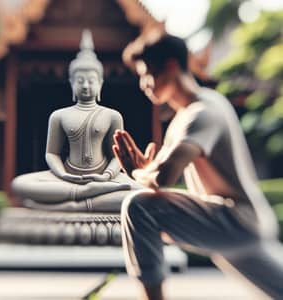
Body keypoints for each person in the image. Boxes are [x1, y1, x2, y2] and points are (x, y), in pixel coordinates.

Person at [113, 34, 283, 300]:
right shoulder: (189, 114)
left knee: (139, 207)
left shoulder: (203, 112)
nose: (143, 84)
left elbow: (164, 177)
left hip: (235, 220)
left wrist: (138, 172)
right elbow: (158, 174)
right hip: (239, 224)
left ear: (170, 66)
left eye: (147, 74)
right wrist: (148, 172)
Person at [11, 30, 139, 212]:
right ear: (71, 83)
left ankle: (73, 204)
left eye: (91, 81)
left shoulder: (112, 116)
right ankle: (87, 196)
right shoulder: (59, 116)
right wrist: (62, 174)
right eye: (80, 81)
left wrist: (107, 176)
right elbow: (52, 153)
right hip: (67, 177)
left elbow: (117, 157)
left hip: (105, 179)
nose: (86, 85)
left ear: (100, 83)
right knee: (20, 184)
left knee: (141, 193)